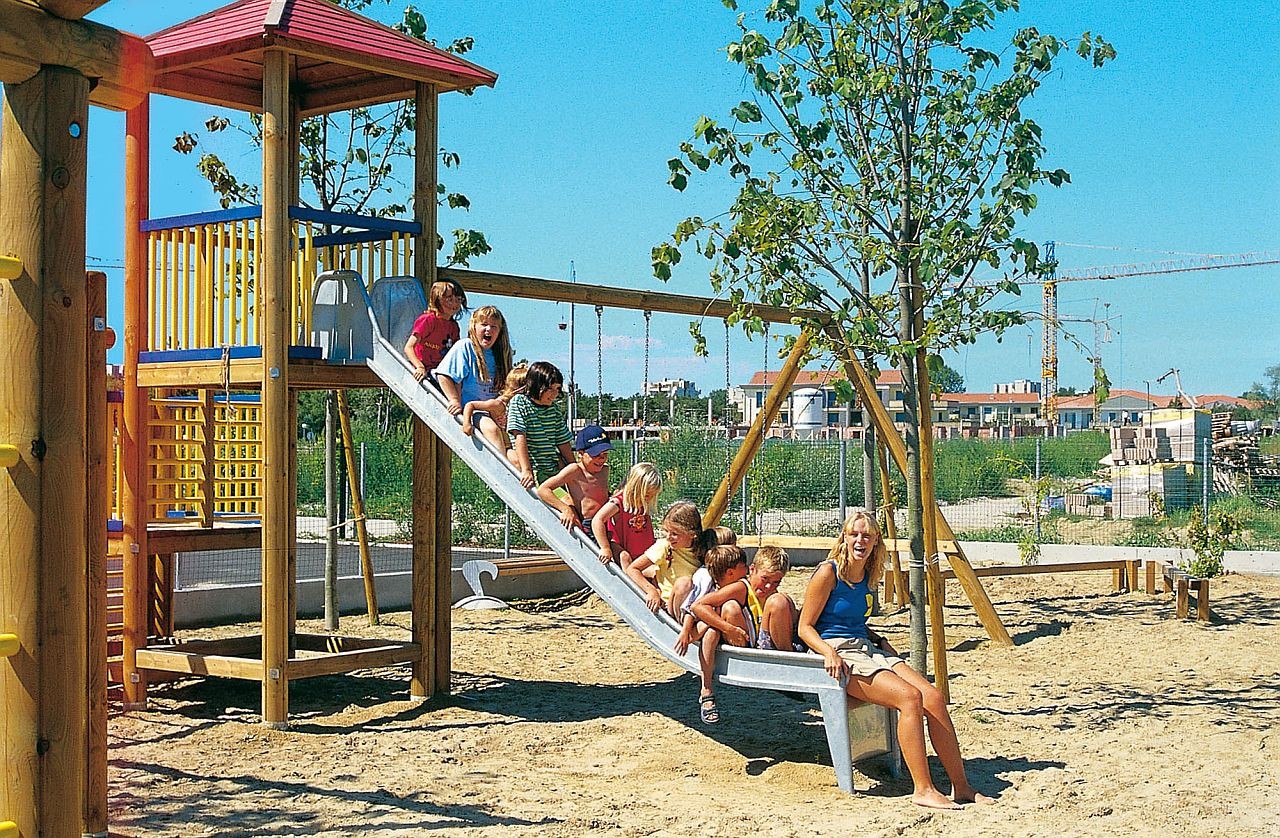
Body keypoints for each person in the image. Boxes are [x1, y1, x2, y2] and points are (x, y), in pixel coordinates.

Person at [797, 510, 994, 810]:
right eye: (854, 534)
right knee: (909, 698)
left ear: (876, 541)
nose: (860, 540)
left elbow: (854, 622)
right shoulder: (829, 572)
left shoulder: (868, 574)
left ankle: (961, 786)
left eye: (867, 535)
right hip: (837, 651)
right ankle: (923, 789)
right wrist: (828, 652)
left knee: (934, 697)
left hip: (865, 647)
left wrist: (878, 640)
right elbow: (805, 627)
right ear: (844, 537)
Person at [690, 545, 802, 724]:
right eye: (765, 579)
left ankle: (789, 661)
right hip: (745, 641)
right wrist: (728, 628)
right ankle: (706, 690)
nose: (768, 586)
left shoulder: (774, 594)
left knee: (782, 601)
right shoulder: (742, 588)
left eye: (776, 582)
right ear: (752, 570)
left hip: (770, 642)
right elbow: (698, 606)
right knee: (730, 607)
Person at [435, 306, 514, 453]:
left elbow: (507, 388)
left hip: (493, 410)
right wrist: (454, 400)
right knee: (491, 429)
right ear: (474, 327)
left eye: (494, 326)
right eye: (484, 324)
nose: (488, 329)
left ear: (500, 331)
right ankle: (500, 467)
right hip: (472, 411)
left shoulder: (501, 353)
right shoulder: (466, 346)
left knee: (516, 439)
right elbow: (444, 375)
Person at [625, 500, 713, 620]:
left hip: (695, 604)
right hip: (671, 605)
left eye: (675, 533)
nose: (668, 537)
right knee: (684, 583)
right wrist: (651, 591)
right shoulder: (664, 546)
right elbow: (632, 569)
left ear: (692, 534)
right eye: (666, 531)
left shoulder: (702, 549)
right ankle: (679, 621)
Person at [507, 361, 574, 489]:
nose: (554, 394)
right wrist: (526, 470)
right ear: (536, 386)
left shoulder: (554, 409)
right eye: (550, 389)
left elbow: (563, 442)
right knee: (563, 500)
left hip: (553, 467)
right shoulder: (520, 402)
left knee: (580, 496)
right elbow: (519, 436)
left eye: (557, 389)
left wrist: (573, 466)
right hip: (536, 469)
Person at [673, 527, 740, 655]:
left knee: (714, 631)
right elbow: (692, 606)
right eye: (732, 547)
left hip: (713, 617)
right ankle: (692, 638)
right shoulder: (705, 575)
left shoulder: (729, 572)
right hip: (697, 619)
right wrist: (685, 631)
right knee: (712, 630)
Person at [537, 424, 612, 532]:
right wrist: (565, 509)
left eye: (605, 454)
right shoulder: (575, 471)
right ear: (581, 453)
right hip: (588, 523)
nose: (601, 459)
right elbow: (543, 489)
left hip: (605, 519)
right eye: (596, 454)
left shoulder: (604, 470)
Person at [591, 462, 661, 569]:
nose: (649, 499)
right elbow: (597, 520)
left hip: (643, 553)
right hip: (627, 553)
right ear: (636, 488)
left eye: (652, 496)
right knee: (624, 557)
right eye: (647, 495)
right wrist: (605, 547)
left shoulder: (642, 505)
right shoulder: (618, 502)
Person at [461, 363, 528, 463]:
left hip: (516, 443)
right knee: (516, 461)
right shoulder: (499, 404)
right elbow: (471, 405)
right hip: (505, 444)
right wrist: (466, 423)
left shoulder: (524, 406)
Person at [404, 278, 466, 382]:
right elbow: (409, 347)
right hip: (426, 370)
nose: (455, 304)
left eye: (458, 299)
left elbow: (455, 353)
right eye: (450, 299)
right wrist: (420, 367)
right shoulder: (428, 320)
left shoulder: (454, 327)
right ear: (438, 300)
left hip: (442, 370)